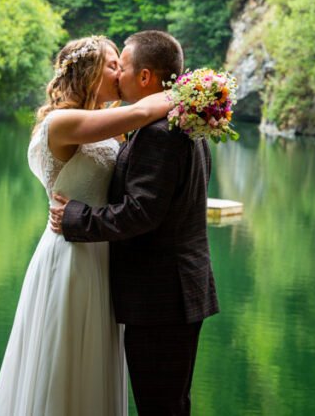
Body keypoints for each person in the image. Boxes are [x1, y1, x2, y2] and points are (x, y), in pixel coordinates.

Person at [0, 35, 172, 416]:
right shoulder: (62, 122)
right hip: (70, 256)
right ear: (88, 72)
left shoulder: (105, 126)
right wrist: (196, 94)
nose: (119, 72)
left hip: (101, 253)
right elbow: (142, 113)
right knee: (64, 360)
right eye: (111, 64)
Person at [49, 30, 219, 416]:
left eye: (121, 67)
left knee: (160, 404)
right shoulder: (182, 124)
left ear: (144, 78)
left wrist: (77, 217)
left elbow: (140, 212)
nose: (117, 76)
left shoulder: (159, 133)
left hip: (161, 297)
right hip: (175, 292)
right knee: (170, 402)